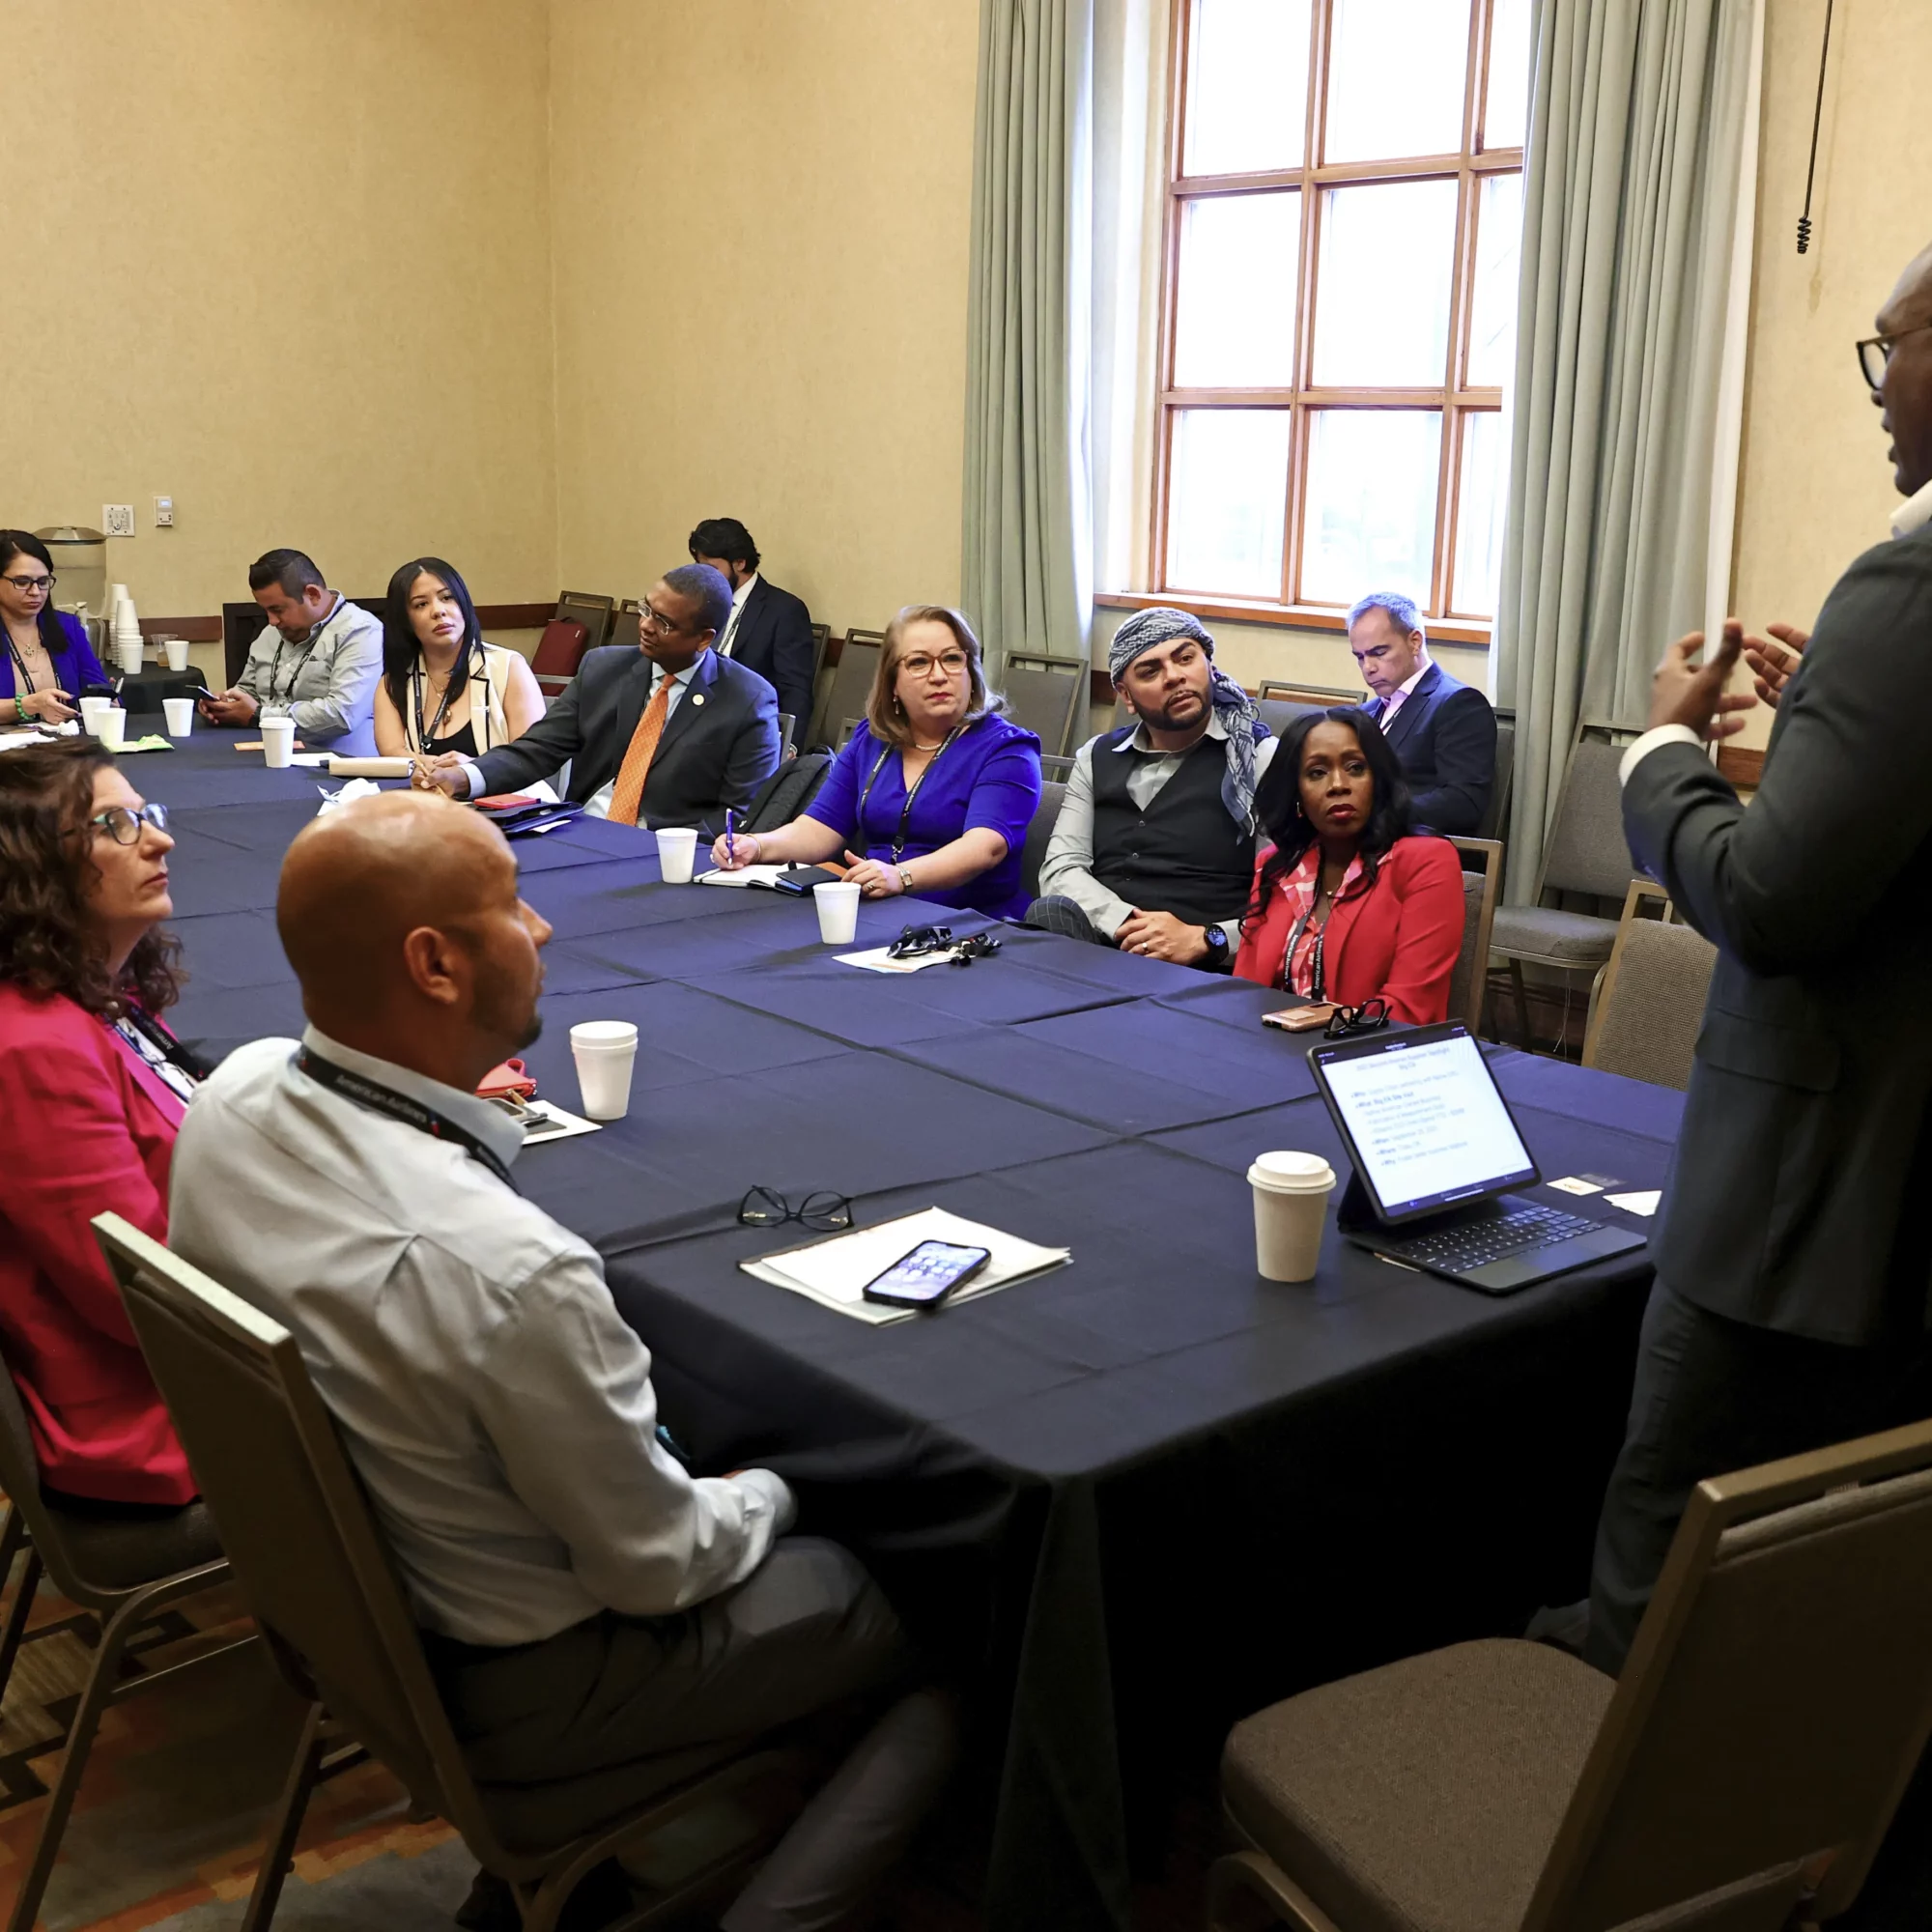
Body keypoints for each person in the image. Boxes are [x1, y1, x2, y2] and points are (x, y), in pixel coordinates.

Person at [168, 790, 953, 1932]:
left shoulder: (229, 1099)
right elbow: (659, 1567)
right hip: (527, 1684)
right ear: (434, 964)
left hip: (351, 1637)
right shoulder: (504, 1267)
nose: (541, 930)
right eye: (513, 906)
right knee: (962, 1591)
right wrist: (781, 1485)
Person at [1582, 236, 1932, 1682]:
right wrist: (1832, 739)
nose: (1876, 383)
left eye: (1888, 344)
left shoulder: (1906, 591)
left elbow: (1777, 910)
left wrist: (1664, 749)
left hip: (1801, 1217)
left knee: (1656, 1602)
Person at [0, 741, 208, 1521]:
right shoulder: (33, 1047)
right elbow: (142, 1299)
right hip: (156, 1416)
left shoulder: (92, 996)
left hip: (189, 1366)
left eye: (145, 816)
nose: (160, 840)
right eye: (115, 826)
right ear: (33, 870)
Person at [708, 605, 1040, 918]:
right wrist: (756, 845)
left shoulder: (1008, 749)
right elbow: (820, 829)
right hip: (875, 909)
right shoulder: (873, 739)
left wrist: (901, 876)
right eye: (919, 663)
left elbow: (984, 849)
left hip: (968, 923)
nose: (939, 675)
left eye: (952, 659)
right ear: (893, 683)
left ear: (971, 673)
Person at [417, 564, 781, 830]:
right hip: (584, 831)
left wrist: (670, 852)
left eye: (664, 623)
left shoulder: (747, 700)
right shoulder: (603, 669)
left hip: (665, 853)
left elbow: (740, 815)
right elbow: (538, 750)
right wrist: (465, 777)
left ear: (704, 639)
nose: (646, 626)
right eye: (646, 609)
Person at [1030, 607, 1274, 968]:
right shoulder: (1096, 757)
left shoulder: (1259, 757)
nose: (1174, 677)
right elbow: (1061, 869)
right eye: (1151, 670)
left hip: (1202, 962)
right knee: (1048, 912)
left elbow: (1288, 899)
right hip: (1102, 945)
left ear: (1210, 665)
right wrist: (1126, 923)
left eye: (1185, 658)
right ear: (1126, 695)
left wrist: (1209, 938)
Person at [1233, 708, 1464, 1024]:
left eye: (1356, 768)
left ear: (1378, 780)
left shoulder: (1426, 861)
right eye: (1317, 773)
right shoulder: (1275, 865)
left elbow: (1410, 1008)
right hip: (1269, 1047)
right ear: (1296, 792)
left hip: (1369, 1055)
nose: (1338, 785)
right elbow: (1245, 991)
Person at [200, 549, 384, 755]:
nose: (271, 621)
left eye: (277, 610)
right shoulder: (270, 633)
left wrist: (259, 715)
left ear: (312, 595)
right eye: (266, 611)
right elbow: (249, 690)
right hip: (269, 755)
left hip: (336, 765)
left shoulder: (360, 631)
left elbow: (342, 714)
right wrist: (225, 705)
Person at [1347, 591, 1496, 836]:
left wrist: (1375, 814)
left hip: (1417, 846)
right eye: (1360, 657)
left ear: (1414, 642)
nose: (1368, 668)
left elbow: (1464, 802)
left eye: (1379, 653)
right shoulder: (1366, 713)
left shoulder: (1458, 704)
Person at [373, 556, 545, 759]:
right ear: (405, 620)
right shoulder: (393, 683)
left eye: (447, 597)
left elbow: (531, 757)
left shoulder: (508, 667)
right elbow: (393, 754)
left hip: (501, 789)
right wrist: (441, 773)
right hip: (422, 790)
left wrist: (470, 772)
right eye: (421, 604)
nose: (438, 611)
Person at [689, 517, 817, 731]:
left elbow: (794, 690)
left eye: (712, 568)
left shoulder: (784, 610)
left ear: (740, 563)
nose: (704, 577)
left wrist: (789, 745)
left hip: (743, 726)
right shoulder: (698, 601)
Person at [0, 531, 110, 726]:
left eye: (43, 582)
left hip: (64, 748)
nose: (35, 592)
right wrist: (27, 705)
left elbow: (97, 689)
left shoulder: (68, 627)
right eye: (22, 582)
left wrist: (107, 700)